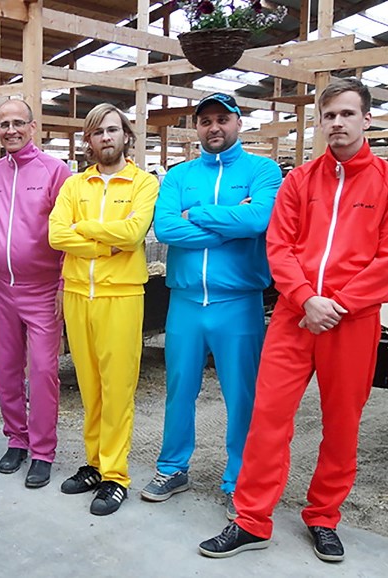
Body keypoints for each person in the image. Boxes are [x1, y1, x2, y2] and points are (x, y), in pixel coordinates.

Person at [199, 78, 388, 562]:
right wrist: (305, 299)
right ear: (320, 122)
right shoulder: (299, 181)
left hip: (352, 321)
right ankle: (252, 519)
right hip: (295, 317)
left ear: (367, 119)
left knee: (342, 424)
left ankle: (323, 516)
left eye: (347, 114)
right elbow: (280, 246)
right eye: (329, 115)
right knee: (268, 417)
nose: (337, 123)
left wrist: (338, 304)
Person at [143, 94, 282, 519]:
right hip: (185, 301)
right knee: (179, 389)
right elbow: (166, 227)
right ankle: (172, 467)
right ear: (197, 128)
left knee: (241, 395)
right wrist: (229, 222)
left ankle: (239, 478)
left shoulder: (262, 170)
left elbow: (259, 220)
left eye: (223, 119)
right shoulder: (179, 175)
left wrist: (197, 214)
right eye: (205, 121)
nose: (214, 127)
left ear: (238, 122)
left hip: (238, 302)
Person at [48, 103, 159, 516]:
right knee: (90, 387)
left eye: (112, 130)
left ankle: (116, 475)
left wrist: (83, 229)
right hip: (79, 294)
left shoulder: (142, 183)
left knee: (117, 389)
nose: (106, 137)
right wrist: (101, 245)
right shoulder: (75, 185)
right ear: (89, 141)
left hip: (121, 295)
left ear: (126, 136)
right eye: (98, 132)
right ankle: (94, 464)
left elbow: (132, 234)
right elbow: (56, 235)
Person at [0, 99, 70, 488]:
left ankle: (42, 451)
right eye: (4, 124)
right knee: (5, 369)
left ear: (33, 127)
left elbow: (69, 229)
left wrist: (63, 283)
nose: (11, 130)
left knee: (42, 371)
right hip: (2, 288)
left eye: (18, 123)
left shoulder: (55, 171)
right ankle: (16, 440)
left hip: (43, 288)